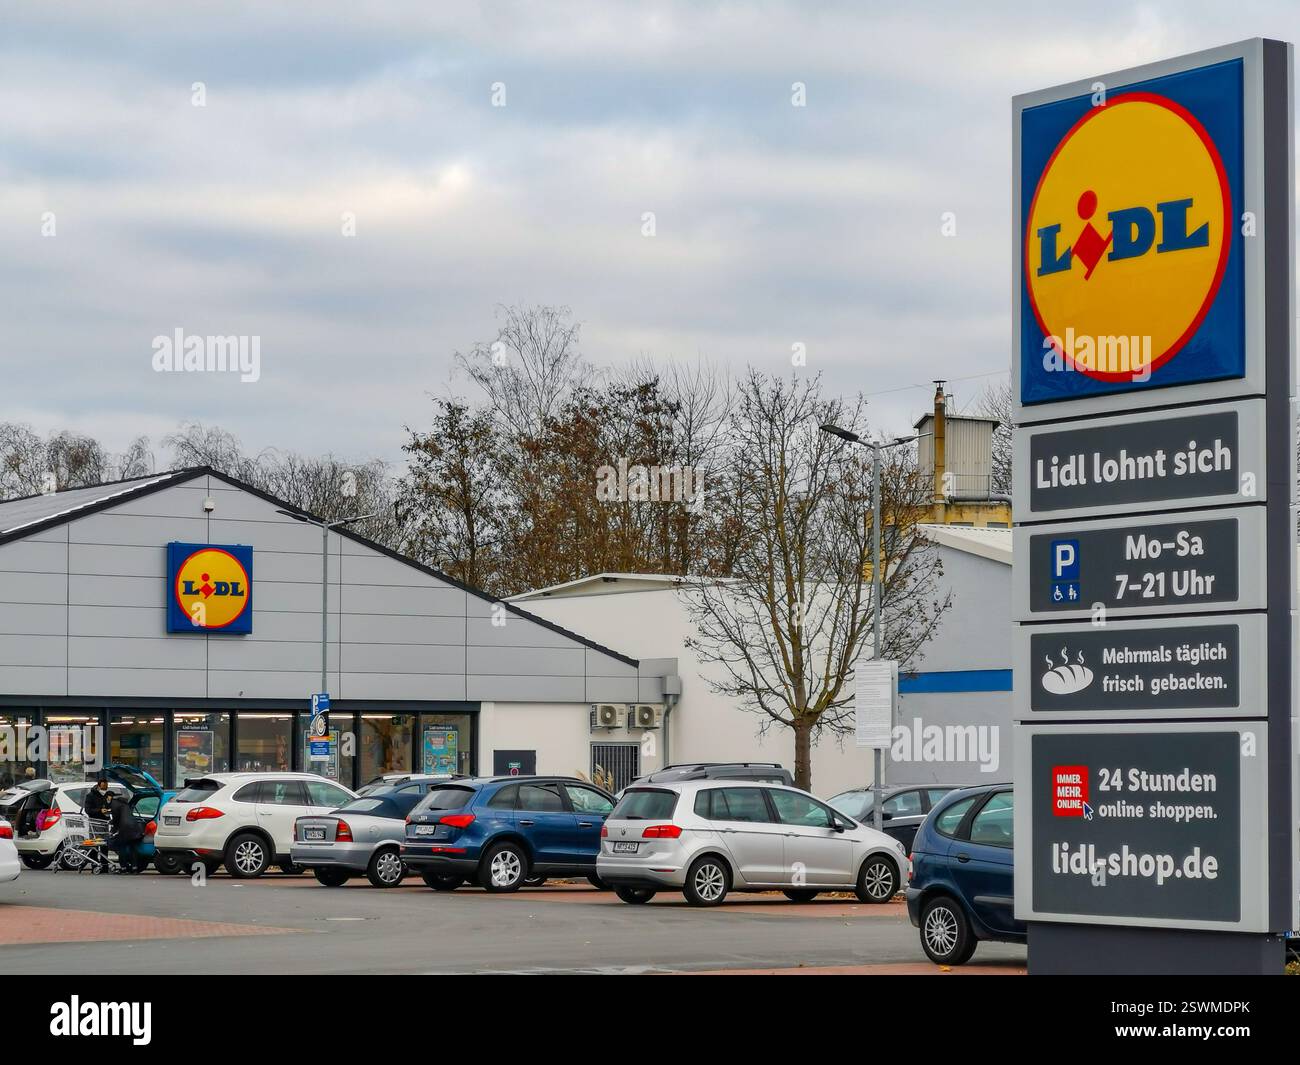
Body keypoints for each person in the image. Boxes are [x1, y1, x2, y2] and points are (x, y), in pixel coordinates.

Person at [107, 793, 145, 873]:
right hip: (134, 826)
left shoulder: (114, 804)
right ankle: (134, 867)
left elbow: (116, 819)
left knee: (122, 848)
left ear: (109, 797)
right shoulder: (124, 803)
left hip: (124, 828)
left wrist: (113, 829)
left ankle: (124, 867)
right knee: (133, 848)